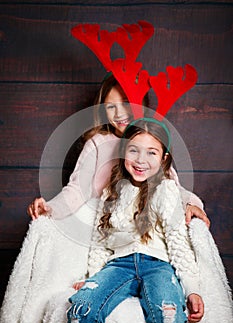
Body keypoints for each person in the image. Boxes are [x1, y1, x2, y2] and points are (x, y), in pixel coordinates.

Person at [66, 118, 204, 323]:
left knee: (169, 317)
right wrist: (93, 276)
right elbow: (101, 241)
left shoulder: (166, 189)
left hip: (158, 266)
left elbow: (178, 241)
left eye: (151, 153)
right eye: (134, 151)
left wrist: (192, 289)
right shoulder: (111, 191)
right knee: (80, 308)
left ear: (164, 159)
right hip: (118, 266)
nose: (141, 160)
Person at [27, 74, 209, 227]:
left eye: (126, 103)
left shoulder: (153, 145)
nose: (119, 113)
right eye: (111, 107)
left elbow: (174, 190)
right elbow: (77, 190)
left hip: (147, 228)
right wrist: (51, 208)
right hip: (106, 226)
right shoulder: (97, 145)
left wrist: (192, 204)